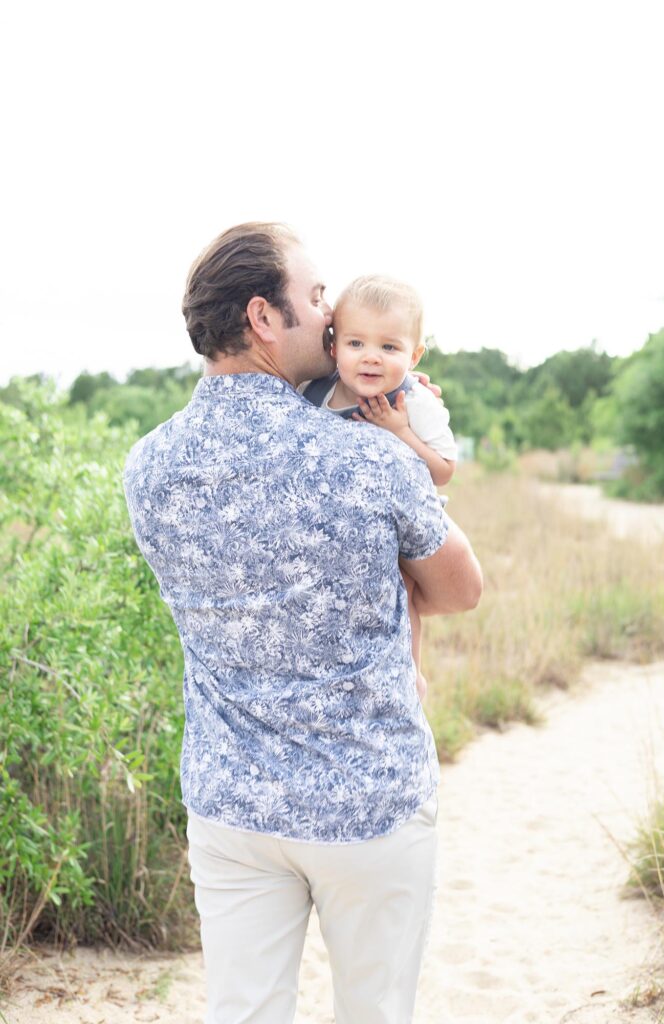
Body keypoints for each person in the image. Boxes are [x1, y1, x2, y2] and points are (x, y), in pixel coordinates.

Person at [123, 222, 482, 1024]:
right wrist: (407, 450)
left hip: (232, 805)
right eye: (316, 298)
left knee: (242, 1012)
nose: (330, 316)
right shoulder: (372, 456)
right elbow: (460, 591)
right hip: (368, 802)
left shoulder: (147, 465)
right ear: (261, 317)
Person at [300, 275, 459, 700]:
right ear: (333, 346)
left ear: (415, 354)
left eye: (389, 348)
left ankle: (412, 675)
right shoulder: (314, 391)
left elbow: (444, 469)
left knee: (401, 590)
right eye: (356, 344)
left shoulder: (414, 401)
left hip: (405, 519)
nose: (371, 358)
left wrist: (400, 431)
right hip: (338, 523)